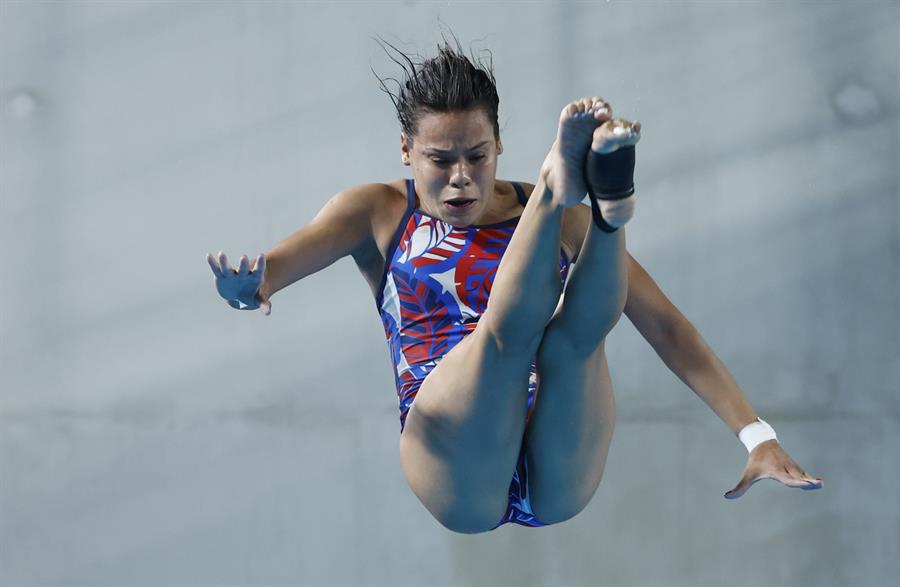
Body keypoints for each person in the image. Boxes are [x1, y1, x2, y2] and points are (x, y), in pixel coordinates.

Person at [206, 39, 822, 534]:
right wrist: (247, 287)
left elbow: (664, 325)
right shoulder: (374, 212)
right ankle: (566, 183)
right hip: (453, 455)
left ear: (499, 141)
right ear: (404, 150)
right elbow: (269, 274)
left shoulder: (547, 221)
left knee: (576, 342)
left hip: (558, 461)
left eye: (477, 155)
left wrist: (757, 436)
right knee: (505, 337)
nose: (461, 180)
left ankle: (610, 215)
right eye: (439, 160)